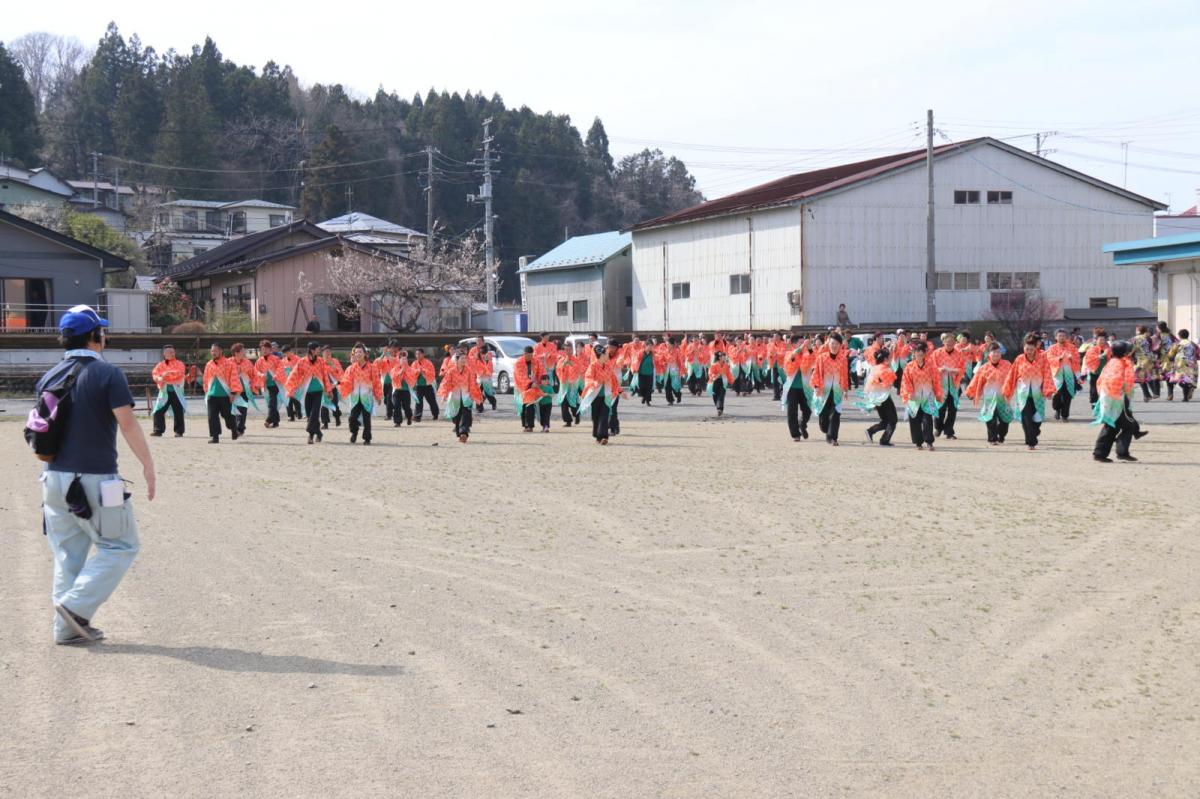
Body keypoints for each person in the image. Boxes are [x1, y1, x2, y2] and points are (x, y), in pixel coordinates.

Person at [36, 305, 155, 645]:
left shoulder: (49, 376)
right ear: (95, 336)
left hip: (53, 479)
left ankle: (65, 630)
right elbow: (128, 424)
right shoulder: (107, 374)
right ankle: (74, 609)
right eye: (101, 330)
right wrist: (148, 465)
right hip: (98, 479)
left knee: (67, 553)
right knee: (121, 545)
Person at [1002, 333, 1056, 451]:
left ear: (1036, 348)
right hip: (1023, 393)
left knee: (1037, 419)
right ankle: (1031, 441)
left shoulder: (1042, 359)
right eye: (1027, 349)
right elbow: (1012, 375)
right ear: (1024, 348)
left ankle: (1033, 433)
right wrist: (1007, 391)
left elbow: (1047, 375)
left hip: (1037, 393)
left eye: (1031, 349)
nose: (1029, 351)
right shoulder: (1019, 359)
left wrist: (1049, 390)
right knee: (1026, 417)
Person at [1093, 341, 1143, 462]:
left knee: (1114, 425)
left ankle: (1105, 453)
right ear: (1125, 352)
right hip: (1116, 398)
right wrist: (1122, 392)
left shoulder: (1114, 362)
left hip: (1111, 397)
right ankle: (1115, 452)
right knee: (1123, 425)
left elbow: (1101, 380)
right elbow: (1115, 380)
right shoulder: (1119, 364)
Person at [284, 342, 334, 444]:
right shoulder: (302, 362)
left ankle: (310, 435)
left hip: (318, 391)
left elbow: (325, 376)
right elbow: (294, 375)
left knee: (314, 413)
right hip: (306, 391)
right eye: (318, 349)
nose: (319, 351)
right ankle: (319, 433)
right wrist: (290, 388)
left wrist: (329, 390)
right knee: (309, 413)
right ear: (312, 350)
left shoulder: (320, 361)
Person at [964, 343, 1013, 445]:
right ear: (988, 354)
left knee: (1005, 420)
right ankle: (992, 438)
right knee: (990, 417)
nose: (996, 354)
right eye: (994, 352)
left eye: (998, 352)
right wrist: (970, 391)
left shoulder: (1007, 364)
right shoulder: (984, 368)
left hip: (1003, 397)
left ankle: (1001, 434)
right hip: (989, 398)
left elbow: (1013, 377)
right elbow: (976, 380)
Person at [900, 341, 943, 450]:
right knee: (914, 420)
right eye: (916, 351)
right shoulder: (909, 367)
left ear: (925, 353)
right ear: (913, 353)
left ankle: (929, 442)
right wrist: (909, 393)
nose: (919, 353)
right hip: (914, 397)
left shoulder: (931, 366)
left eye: (921, 351)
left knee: (927, 419)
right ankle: (918, 442)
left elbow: (936, 381)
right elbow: (905, 381)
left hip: (927, 396)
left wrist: (938, 394)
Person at [580, 344, 624, 444]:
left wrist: (620, 391)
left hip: (606, 395)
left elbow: (614, 380)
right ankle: (597, 436)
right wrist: (594, 383)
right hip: (595, 395)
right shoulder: (593, 366)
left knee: (604, 415)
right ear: (601, 355)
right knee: (596, 417)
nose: (608, 356)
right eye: (606, 354)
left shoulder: (608, 366)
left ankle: (604, 436)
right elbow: (588, 377)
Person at [339, 343, 382, 445]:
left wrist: (378, 396)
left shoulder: (372, 368)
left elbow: (376, 382)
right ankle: (354, 432)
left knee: (367, 419)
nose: (358, 354)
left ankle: (367, 438)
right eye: (356, 352)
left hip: (366, 397)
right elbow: (346, 381)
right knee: (352, 418)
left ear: (365, 354)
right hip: (355, 397)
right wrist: (339, 384)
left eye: (360, 352)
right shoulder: (351, 368)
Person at [810, 332, 848, 446]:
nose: (834, 346)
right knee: (824, 418)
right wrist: (816, 386)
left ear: (840, 345)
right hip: (823, 391)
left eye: (837, 343)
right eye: (832, 343)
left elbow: (845, 375)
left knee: (835, 414)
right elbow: (816, 372)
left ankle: (833, 438)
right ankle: (827, 431)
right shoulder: (822, 358)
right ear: (828, 344)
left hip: (837, 391)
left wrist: (845, 389)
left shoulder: (843, 359)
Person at [438, 351, 483, 443]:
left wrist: (475, 395)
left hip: (466, 396)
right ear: (457, 360)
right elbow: (446, 383)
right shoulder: (451, 371)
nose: (464, 360)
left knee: (466, 414)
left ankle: (464, 433)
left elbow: (473, 383)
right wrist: (444, 394)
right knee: (456, 416)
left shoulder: (469, 370)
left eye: (465, 358)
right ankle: (460, 433)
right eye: (462, 358)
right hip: (455, 396)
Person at [203, 343, 241, 444]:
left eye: (215, 350)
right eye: (212, 351)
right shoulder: (209, 364)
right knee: (212, 417)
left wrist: (233, 392)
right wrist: (206, 391)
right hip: (212, 395)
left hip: (225, 395)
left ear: (221, 351)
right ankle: (215, 437)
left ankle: (233, 429)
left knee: (227, 416)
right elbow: (205, 379)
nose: (213, 353)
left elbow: (234, 378)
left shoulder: (229, 364)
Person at [929, 333, 965, 439]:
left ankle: (949, 432)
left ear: (955, 343)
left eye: (951, 342)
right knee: (940, 408)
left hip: (954, 385)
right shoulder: (936, 353)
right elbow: (931, 367)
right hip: (940, 385)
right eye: (947, 342)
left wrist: (953, 370)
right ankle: (938, 427)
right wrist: (940, 370)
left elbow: (962, 369)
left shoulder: (959, 354)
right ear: (943, 342)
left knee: (953, 409)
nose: (949, 344)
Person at [858, 348, 897, 446]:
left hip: (875, 397)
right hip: (884, 397)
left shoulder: (874, 368)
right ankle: (884, 440)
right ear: (885, 359)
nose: (890, 358)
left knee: (885, 420)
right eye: (889, 357)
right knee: (893, 420)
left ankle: (871, 431)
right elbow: (889, 383)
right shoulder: (886, 369)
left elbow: (868, 385)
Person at [780, 335, 814, 441]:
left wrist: (809, 348)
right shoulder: (789, 354)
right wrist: (802, 347)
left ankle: (802, 423)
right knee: (792, 411)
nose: (803, 344)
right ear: (794, 344)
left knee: (807, 410)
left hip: (805, 387)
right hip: (792, 388)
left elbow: (814, 358)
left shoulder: (806, 354)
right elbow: (792, 358)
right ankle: (795, 434)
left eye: (803, 342)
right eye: (800, 343)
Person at [515, 345, 554, 432]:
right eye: (528, 355)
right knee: (525, 407)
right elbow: (520, 376)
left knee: (533, 406)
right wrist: (530, 383)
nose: (530, 357)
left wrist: (543, 381)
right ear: (524, 354)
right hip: (523, 388)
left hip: (535, 387)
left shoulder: (536, 361)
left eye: (531, 355)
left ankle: (533, 425)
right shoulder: (518, 363)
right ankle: (527, 425)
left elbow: (542, 372)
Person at [1045, 329, 1081, 421]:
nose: (1062, 338)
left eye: (1063, 336)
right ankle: (1057, 409)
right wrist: (1058, 358)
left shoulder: (1072, 347)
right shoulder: (1052, 348)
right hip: (1057, 374)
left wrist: (1071, 358)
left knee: (1068, 393)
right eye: (1060, 336)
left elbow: (1077, 358)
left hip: (1069, 374)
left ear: (1066, 337)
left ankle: (1065, 414)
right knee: (1057, 393)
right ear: (1056, 337)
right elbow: (1049, 358)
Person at [150, 344, 187, 437]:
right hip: (164, 391)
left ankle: (179, 431)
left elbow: (179, 373)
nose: (172, 354)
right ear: (164, 354)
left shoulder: (180, 363)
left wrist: (165, 375)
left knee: (178, 411)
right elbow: (155, 374)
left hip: (176, 391)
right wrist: (158, 378)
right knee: (158, 410)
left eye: (173, 352)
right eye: (169, 352)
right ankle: (158, 430)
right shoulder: (160, 364)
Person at [229, 343, 261, 436]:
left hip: (244, 390)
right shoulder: (228, 362)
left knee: (243, 409)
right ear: (236, 352)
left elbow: (253, 373)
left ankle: (240, 428)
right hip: (233, 390)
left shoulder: (247, 362)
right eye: (243, 350)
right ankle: (238, 427)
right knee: (234, 410)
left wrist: (255, 383)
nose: (244, 352)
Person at [255, 340, 285, 428]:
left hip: (275, 384)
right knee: (271, 403)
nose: (264, 350)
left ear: (270, 349)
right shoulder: (259, 361)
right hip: (265, 385)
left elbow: (281, 367)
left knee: (271, 403)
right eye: (263, 349)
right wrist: (261, 374)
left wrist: (276, 375)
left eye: (266, 348)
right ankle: (276, 422)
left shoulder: (275, 359)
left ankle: (268, 420)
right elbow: (255, 371)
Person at [555, 346, 585, 426]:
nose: (568, 351)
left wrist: (571, 364)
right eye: (566, 349)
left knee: (572, 402)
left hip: (573, 384)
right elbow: (558, 370)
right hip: (564, 384)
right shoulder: (561, 360)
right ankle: (568, 421)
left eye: (569, 349)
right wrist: (564, 364)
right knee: (563, 402)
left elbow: (579, 369)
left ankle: (577, 414)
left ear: (572, 350)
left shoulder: (576, 359)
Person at [468, 336, 498, 412]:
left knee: (488, 393)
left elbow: (488, 360)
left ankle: (493, 401)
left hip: (485, 374)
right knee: (478, 391)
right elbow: (469, 359)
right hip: (477, 374)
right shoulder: (473, 350)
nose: (479, 343)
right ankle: (479, 407)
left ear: (483, 342)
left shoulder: (487, 350)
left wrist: (483, 358)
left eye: (480, 341)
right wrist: (475, 358)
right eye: (477, 341)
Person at [1165, 329, 1197, 402]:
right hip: (1191, 364)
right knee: (1187, 380)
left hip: (1180, 364)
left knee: (1174, 380)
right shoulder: (1193, 344)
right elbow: (1198, 353)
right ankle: (1186, 396)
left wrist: (1170, 359)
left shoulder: (1177, 343)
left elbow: (1170, 355)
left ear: (1179, 336)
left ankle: (1170, 394)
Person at [1130, 325, 1160, 402]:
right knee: (1147, 376)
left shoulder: (1134, 339)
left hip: (1140, 360)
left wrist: (1130, 357)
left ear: (1138, 331)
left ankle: (1147, 395)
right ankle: (1153, 393)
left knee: (1140, 378)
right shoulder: (1148, 338)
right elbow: (1151, 348)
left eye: (1136, 330)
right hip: (1149, 359)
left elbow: (1132, 349)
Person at [410, 348, 439, 421]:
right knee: (418, 401)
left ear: (423, 354)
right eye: (416, 354)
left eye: (419, 354)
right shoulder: (414, 363)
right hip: (418, 386)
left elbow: (432, 373)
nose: (418, 355)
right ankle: (417, 416)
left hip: (428, 385)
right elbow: (411, 373)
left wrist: (424, 372)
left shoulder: (428, 363)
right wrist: (418, 371)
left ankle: (435, 415)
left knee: (432, 401)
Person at [319, 345, 344, 429]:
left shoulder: (335, 361)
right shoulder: (320, 362)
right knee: (324, 405)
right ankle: (325, 423)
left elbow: (340, 373)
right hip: (324, 387)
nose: (327, 354)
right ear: (322, 353)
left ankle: (337, 417)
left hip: (334, 386)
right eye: (326, 352)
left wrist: (333, 367)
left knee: (334, 404)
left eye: (329, 352)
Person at [390, 349, 415, 426]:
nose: (404, 360)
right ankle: (398, 422)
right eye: (402, 359)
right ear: (399, 360)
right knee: (396, 406)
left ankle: (409, 417)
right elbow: (393, 378)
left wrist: (406, 373)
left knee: (406, 407)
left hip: (406, 390)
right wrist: (401, 371)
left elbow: (413, 378)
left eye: (405, 359)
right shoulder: (394, 369)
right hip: (397, 390)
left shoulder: (410, 369)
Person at [707, 350, 734, 417]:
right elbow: (710, 373)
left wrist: (731, 381)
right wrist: (715, 375)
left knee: (721, 395)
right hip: (715, 381)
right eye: (723, 356)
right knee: (715, 395)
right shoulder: (714, 365)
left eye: (724, 356)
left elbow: (728, 374)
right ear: (719, 357)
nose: (724, 357)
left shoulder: (726, 365)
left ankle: (719, 409)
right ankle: (719, 408)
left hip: (723, 381)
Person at [280, 345, 302, 421]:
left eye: (287, 352)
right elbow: (281, 371)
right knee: (288, 399)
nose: (286, 354)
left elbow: (301, 370)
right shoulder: (283, 361)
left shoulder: (298, 359)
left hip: (296, 382)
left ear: (290, 351)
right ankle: (291, 416)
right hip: (287, 382)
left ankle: (298, 412)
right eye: (285, 353)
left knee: (295, 398)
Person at [376, 342, 397, 421]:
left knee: (389, 398)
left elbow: (393, 363)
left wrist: (387, 354)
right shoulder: (382, 359)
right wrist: (382, 355)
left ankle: (388, 415)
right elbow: (378, 364)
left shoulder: (394, 358)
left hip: (392, 382)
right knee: (386, 400)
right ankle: (392, 409)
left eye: (388, 349)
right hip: (384, 382)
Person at [1157, 321, 1178, 400]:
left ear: (1159, 328)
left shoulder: (1158, 336)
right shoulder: (1171, 335)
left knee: (1164, 376)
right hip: (1171, 358)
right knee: (1169, 376)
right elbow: (1178, 343)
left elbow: (1155, 347)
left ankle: (1156, 392)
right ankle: (1170, 394)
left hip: (1163, 359)